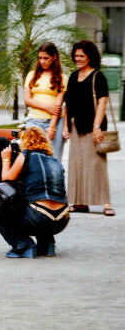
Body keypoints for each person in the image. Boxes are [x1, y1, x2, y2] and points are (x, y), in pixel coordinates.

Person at [0, 127, 69, 258]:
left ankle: (24, 246)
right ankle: (47, 245)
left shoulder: (26, 155)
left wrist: (6, 159)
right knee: (38, 201)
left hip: (38, 218)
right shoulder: (54, 160)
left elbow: (6, 178)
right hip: (61, 220)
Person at [63, 40, 114, 216]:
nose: (77, 59)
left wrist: (97, 126)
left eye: (81, 56)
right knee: (77, 164)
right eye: (76, 56)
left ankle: (106, 203)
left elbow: (102, 101)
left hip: (94, 127)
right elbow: (67, 103)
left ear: (90, 57)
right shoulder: (72, 76)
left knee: (96, 164)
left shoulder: (98, 76)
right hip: (76, 126)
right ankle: (80, 202)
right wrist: (66, 126)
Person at [24, 42, 67, 160]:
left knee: (54, 159)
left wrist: (52, 127)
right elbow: (27, 100)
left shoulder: (62, 78)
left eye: (46, 58)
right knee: (31, 158)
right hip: (33, 121)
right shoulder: (32, 75)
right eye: (40, 58)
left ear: (54, 57)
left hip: (55, 123)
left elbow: (58, 106)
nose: (42, 61)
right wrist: (47, 107)